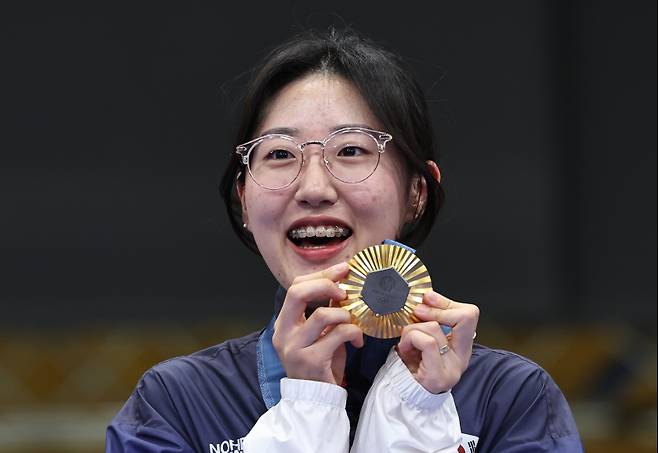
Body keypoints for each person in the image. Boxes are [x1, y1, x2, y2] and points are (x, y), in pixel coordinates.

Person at [106, 28, 583, 452]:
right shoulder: (176, 407)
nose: (313, 188)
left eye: (351, 149)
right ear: (245, 198)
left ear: (418, 191)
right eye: (278, 153)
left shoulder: (512, 402)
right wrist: (307, 412)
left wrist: (415, 413)